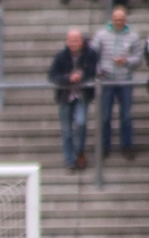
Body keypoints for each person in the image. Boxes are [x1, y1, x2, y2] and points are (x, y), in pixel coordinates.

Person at [91, 5, 142, 160]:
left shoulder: (133, 37)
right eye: (116, 19)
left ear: (125, 20)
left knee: (126, 115)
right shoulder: (101, 35)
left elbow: (138, 58)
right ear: (111, 19)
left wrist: (126, 61)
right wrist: (99, 70)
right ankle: (104, 145)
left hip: (125, 81)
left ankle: (127, 145)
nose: (118, 22)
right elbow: (92, 55)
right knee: (105, 116)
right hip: (106, 82)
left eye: (121, 19)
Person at [48, 29, 99, 171]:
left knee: (81, 122)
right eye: (71, 41)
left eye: (76, 40)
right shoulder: (61, 56)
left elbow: (94, 70)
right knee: (66, 129)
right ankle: (69, 160)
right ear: (67, 42)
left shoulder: (90, 54)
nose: (73, 44)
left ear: (81, 41)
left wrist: (82, 75)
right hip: (65, 96)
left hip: (82, 95)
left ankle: (79, 150)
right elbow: (52, 75)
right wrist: (68, 78)